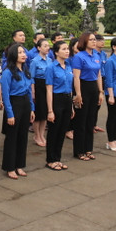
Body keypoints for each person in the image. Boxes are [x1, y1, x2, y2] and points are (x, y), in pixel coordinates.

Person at [1, 42, 35, 179]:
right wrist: (10, 114)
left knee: (23, 137)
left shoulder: (26, 71)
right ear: (14, 54)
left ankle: (19, 165)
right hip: (14, 104)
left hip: (25, 104)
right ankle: (9, 167)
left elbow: (28, 92)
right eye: (20, 52)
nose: (24, 55)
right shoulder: (8, 72)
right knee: (12, 138)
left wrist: (32, 109)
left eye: (24, 52)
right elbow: (5, 95)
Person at [72, 32, 103, 161]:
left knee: (91, 120)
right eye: (91, 40)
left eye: (94, 39)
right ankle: (79, 151)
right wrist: (78, 94)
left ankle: (88, 149)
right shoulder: (79, 57)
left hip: (93, 88)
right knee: (81, 121)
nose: (94, 42)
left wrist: (100, 91)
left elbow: (99, 74)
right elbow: (76, 77)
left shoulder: (96, 55)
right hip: (83, 87)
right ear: (84, 41)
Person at [45, 40, 74, 170]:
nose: (67, 51)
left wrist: (72, 106)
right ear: (56, 52)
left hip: (67, 100)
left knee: (62, 131)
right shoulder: (51, 67)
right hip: (56, 100)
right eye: (63, 49)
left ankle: (58, 158)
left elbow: (70, 87)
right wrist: (50, 110)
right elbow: (49, 90)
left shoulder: (68, 66)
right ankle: (50, 159)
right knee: (54, 131)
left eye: (67, 49)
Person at [30, 37, 51, 147]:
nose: (48, 48)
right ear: (38, 48)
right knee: (38, 113)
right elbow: (31, 77)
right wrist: (33, 91)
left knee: (46, 113)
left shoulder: (50, 60)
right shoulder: (35, 61)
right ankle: (37, 135)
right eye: (45, 46)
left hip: (48, 87)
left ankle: (42, 135)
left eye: (48, 46)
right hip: (38, 87)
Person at [93, 34, 108, 133]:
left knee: (99, 103)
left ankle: (94, 124)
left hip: (103, 78)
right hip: (94, 79)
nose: (102, 42)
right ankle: (90, 124)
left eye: (103, 40)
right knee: (93, 104)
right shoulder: (92, 54)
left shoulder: (104, 54)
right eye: (100, 40)